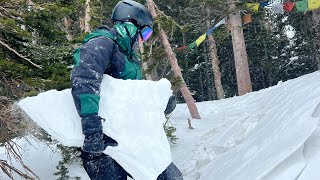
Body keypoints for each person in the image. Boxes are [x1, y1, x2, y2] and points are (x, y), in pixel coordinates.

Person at [70, 0, 183, 179]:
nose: (143, 40)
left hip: (129, 136)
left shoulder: (128, 58)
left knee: (170, 176)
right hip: (102, 140)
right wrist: (92, 128)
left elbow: (133, 95)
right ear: (129, 25)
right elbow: (85, 79)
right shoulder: (101, 43)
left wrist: (159, 102)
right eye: (144, 33)